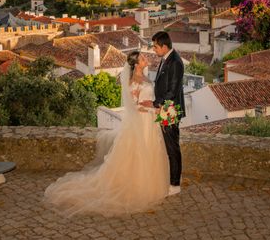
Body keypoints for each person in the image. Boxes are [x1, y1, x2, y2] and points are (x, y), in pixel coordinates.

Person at [44, 51, 169, 216]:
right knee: (139, 154)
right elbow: (134, 106)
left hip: (149, 122)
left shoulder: (145, 78)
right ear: (137, 64)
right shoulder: (133, 82)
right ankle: (138, 187)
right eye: (142, 58)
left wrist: (155, 107)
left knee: (150, 151)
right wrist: (152, 107)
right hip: (142, 122)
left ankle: (151, 185)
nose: (146, 59)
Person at [140, 31, 185, 196]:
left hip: (170, 109)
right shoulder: (166, 59)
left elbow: (172, 91)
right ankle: (174, 179)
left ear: (164, 46)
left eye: (155, 46)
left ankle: (175, 185)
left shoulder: (175, 63)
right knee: (169, 147)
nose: (154, 50)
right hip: (165, 108)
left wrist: (154, 104)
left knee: (172, 148)